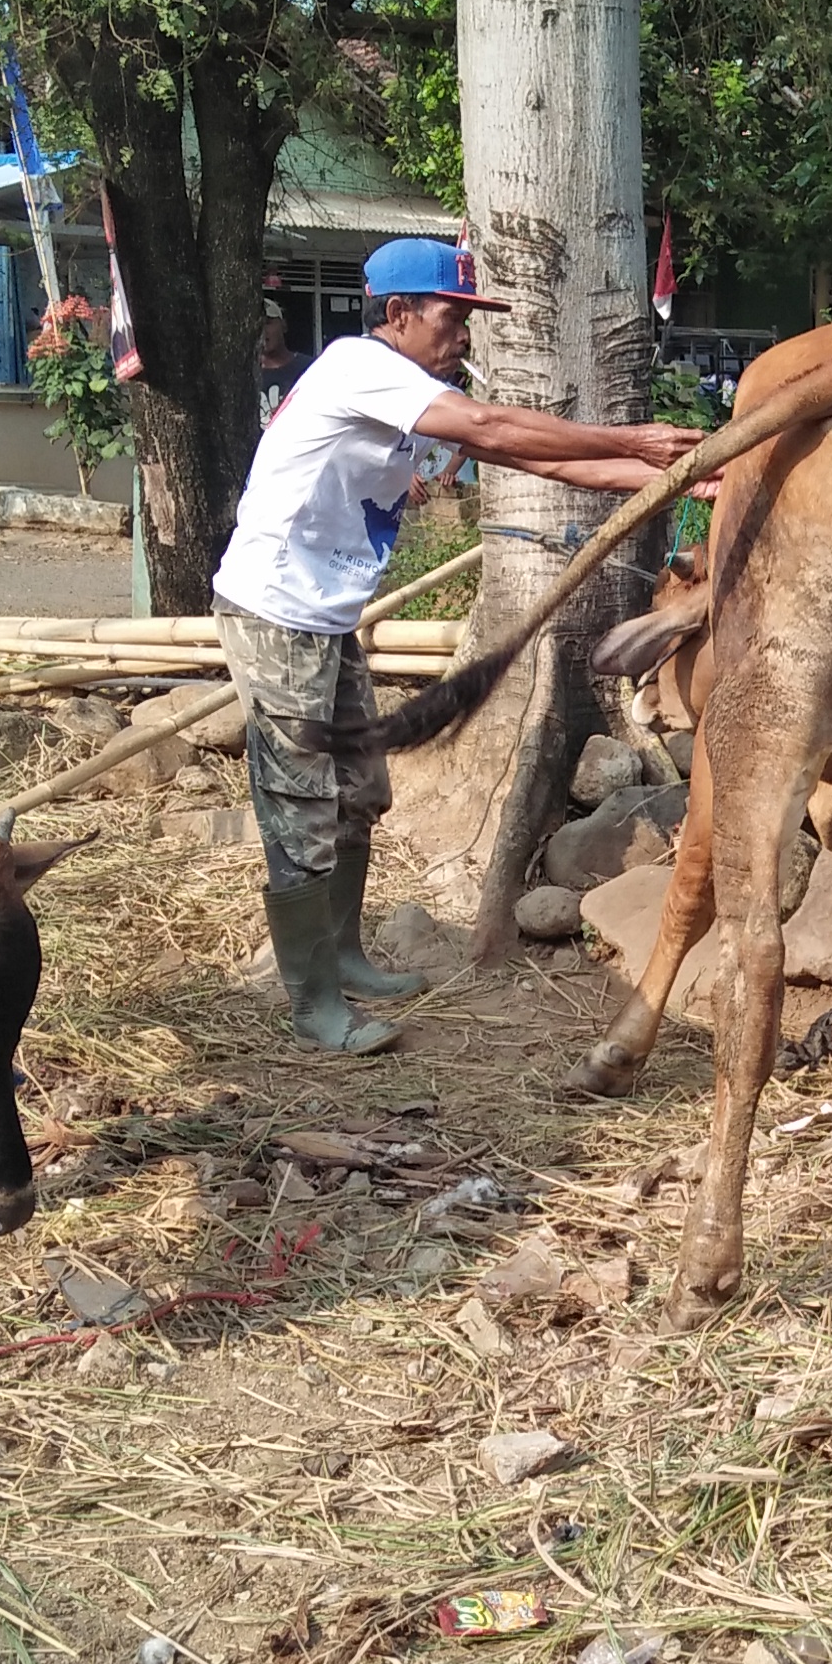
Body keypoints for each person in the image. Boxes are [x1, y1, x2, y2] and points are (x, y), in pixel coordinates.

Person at [213, 236, 703, 1053]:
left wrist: (689, 472)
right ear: (397, 314)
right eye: (452, 316)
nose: (463, 334)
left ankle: (345, 953)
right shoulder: (356, 367)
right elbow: (488, 422)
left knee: (362, 793)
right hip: (275, 613)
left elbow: (518, 452)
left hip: (326, 620)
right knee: (302, 808)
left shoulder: (410, 386)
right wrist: (633, 439)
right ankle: (314, 1005)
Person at [257, 305, 310, 422]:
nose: (262, 330)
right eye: (257, 323)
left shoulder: (309, 368)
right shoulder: (243, 374)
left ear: (284, 325)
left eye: (268, 322)